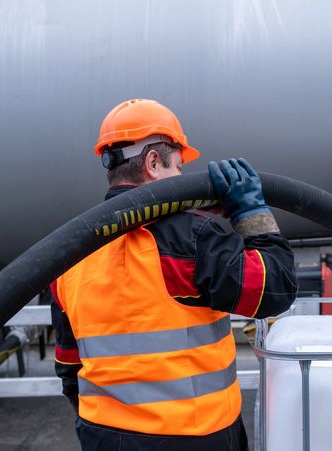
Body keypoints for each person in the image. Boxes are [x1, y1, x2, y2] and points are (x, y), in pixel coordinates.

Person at [50, 99, 298, 450]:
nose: (185, 181)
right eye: (179, 169)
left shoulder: (71, 253)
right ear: (153, 163)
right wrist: (250, 213)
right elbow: (276, 289)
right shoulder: (193, 239)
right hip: (196, 436)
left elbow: (69, 369)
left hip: (103, 437)